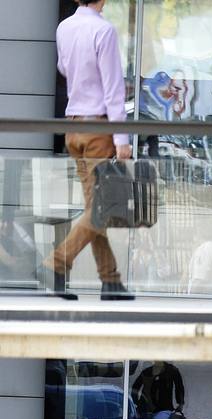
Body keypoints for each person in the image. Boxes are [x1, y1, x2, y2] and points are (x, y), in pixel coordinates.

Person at [41, 0, 134, 303]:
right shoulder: (103, 30)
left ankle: (111, 280)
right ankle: (56, 263)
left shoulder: (64, 27)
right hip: (98, 129)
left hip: (74, 126)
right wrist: (122, 138)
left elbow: (64, 68)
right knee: (101, 208)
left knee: (95, 207)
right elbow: (113, 89)